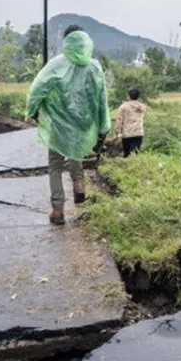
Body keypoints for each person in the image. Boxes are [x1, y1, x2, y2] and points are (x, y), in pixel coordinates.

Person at [26, 25, 109, 226]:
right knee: (75, 153)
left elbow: (37, 89)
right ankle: (78, 184)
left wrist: (32, 111)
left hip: (56, 126)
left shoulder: (56, 65)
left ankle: (57, 211)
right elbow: (102, 98)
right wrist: (103, 128)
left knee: (55, 166)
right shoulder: (94, 67)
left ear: (66, 41)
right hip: (81, 125)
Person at [111, 88, 146, 157]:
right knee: (135, 155)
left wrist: (116, 133)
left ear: (128, 96)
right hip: (139, 133)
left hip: (128, 134)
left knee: (127, 155)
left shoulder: (124, 107)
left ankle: (127, 166)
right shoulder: (142, 106)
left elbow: (119, 121)